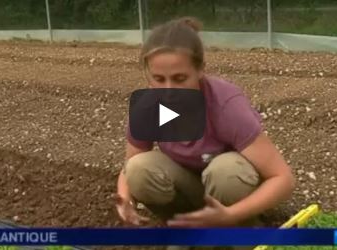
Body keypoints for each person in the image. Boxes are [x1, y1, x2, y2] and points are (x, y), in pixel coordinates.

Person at [114, 16, 295, 228]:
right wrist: (125, 199)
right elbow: (129, 168)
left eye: (180, 79)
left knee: (226, 171)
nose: (169, 91)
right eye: (159, 79)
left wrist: (230, 214)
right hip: (190, 189)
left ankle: (242, 227)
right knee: (139, 168)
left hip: (232, 194)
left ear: (200, 70)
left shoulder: (226, 107)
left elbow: (283, 179)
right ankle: (184, 227)